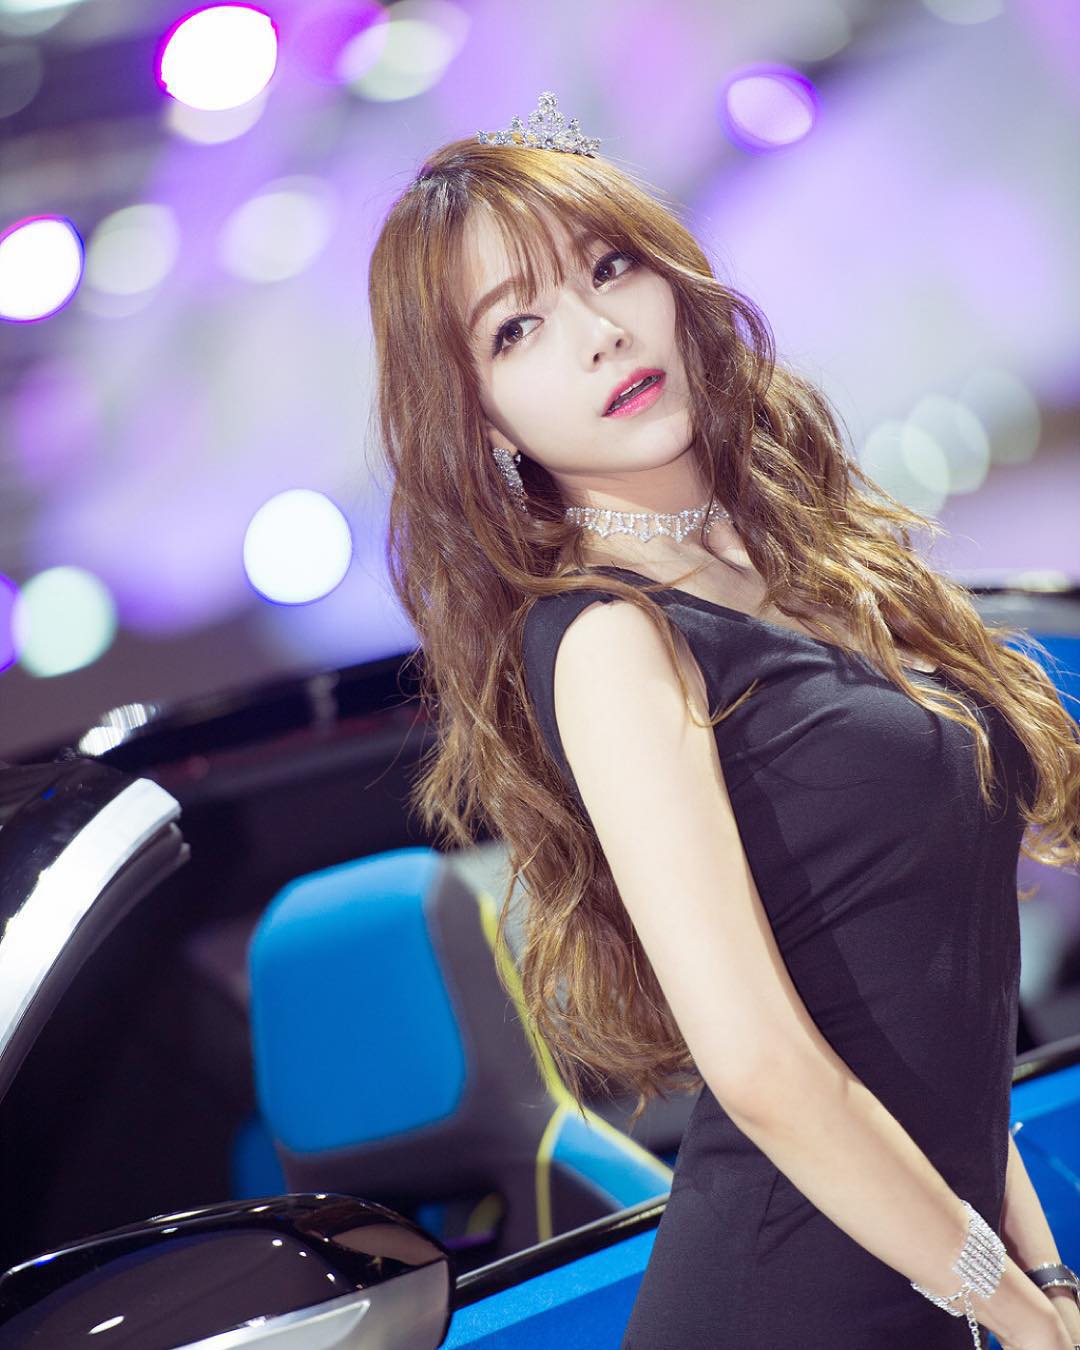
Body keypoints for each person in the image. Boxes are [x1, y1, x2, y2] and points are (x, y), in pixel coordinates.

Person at [365, 90, 1080, 1349]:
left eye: (607, 267)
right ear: (481, 421)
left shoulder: (811, 578)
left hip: (931, 1276)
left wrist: (1039, 1275)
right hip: (792, 1302)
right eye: (519, 328)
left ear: (670, 277)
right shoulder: (609, 642)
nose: (597, 334)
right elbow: (758, 1066)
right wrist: (1012, 1309)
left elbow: (933, 1006)